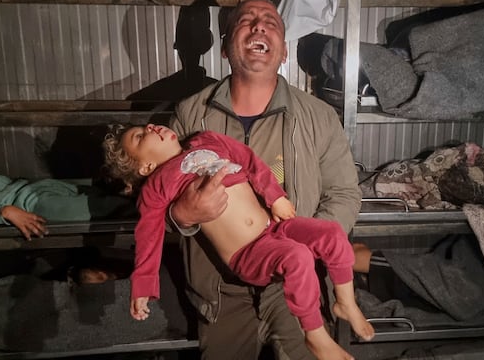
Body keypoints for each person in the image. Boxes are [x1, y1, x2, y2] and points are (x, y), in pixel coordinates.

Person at [165, 0, 363, 360]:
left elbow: (344, 194)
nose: (259, 26)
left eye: (271, 22)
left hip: (295, 286)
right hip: (220, 291)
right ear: (225, 49)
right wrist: (183, 215)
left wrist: (303, 245)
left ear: (284, 51)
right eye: (247, 21)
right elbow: (153, 200)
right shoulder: (191, 115)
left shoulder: (319, 117)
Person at [102, 123, 374, 360]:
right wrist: (143, 285)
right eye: (139, 137)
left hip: (273, 229)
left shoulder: (206, 139)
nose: (150, 127)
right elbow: (148, 234)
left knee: (332, 234)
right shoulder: (158, 185)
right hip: (247, 253)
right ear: (146, 166)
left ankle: (346, 302)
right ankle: (315, 335)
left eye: (146, 126)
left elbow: (249, 159)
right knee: (297, 257)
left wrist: (275, 197)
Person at [0, 175, 135, 240]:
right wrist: (3, 212)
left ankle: (151, 199)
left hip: (28, 194)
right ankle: (153, 207)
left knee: (106, 201)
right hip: (26, 205)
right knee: (107, 208)